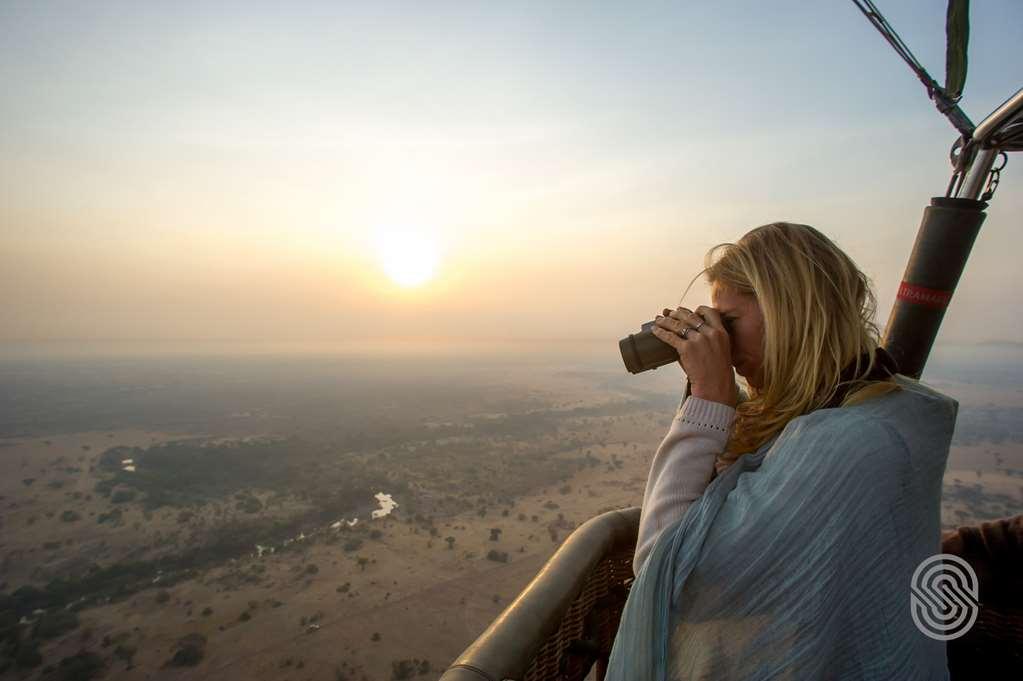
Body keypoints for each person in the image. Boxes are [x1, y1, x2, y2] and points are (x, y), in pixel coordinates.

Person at [606, 222, 959, 680]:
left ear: (791, 312)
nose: (724, 347)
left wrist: (707, 404)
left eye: (728, 323)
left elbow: (668, 578)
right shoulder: (879, 404)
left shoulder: (847, 443)